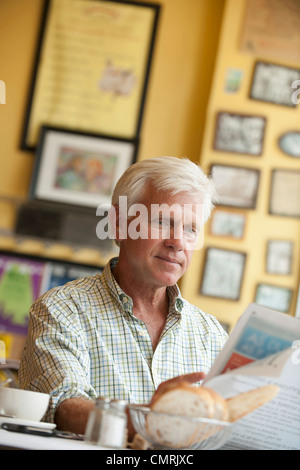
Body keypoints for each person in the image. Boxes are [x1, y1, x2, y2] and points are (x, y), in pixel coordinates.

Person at [19, 156, 228, 439]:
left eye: (191, 229)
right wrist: (150, 421)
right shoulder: (60, 310)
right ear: (118, 225)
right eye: (162, 221)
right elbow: (63, 408)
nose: (178, 242)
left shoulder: (213, 335)